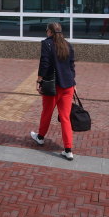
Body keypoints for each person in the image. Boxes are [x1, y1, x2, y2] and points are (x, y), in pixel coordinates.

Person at [30, 22, 76, 161]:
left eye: (46, 30)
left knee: (47, 113)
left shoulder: (47, 44)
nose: (46, 33)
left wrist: (39, 80)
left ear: (50, 31)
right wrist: (73, 83)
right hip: (68, 85)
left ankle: (40, 137)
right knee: (65, 117)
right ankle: (68, 150)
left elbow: (44, 62)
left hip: (53, 86)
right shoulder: (68, 45)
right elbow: (71, 66)